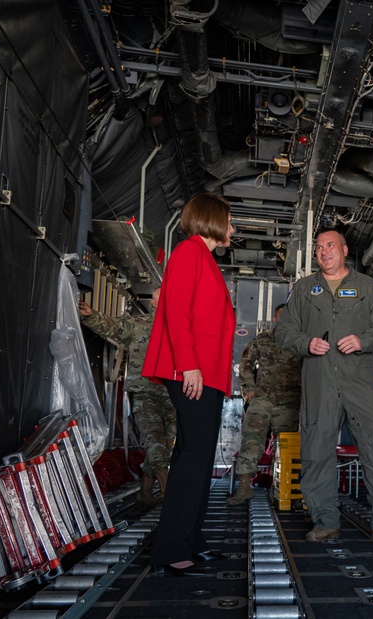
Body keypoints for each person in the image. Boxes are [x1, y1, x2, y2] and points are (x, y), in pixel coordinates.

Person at [275, 229, 373, 541]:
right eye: (318, 248)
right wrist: (305, 342)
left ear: (344, 250)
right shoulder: (303, 289)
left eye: (330, 246)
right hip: (319, 380)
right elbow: (283, 331)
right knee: (317, 450)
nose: (323, 252)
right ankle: (325, 521)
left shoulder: (367, 288)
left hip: (360, 381)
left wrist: (363, 340)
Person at [142, 193, 236, 577]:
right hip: (193, 373)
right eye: (229, 221)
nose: (233, 228)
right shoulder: (189, 252)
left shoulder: (204, 258)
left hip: (206, 374)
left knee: (195, 458)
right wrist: (188, 366)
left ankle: (191, 540)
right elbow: (177, 311)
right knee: (193, 460)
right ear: (212, 220)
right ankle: (170, 549)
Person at [79, 286, 175, 505]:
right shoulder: (139, 325)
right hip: (145, 391)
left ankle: (145, 491)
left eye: (155, 299)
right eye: (153, 300)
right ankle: (167, 490)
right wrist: (91, 315)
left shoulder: (183, 328)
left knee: (166, 443)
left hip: (172, 394)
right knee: (155, 440)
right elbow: (112, 327)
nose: (152, 303)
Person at [227, 304, 302, 505]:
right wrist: (248, 390)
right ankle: (244, 488)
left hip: (290, 401)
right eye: (281, 317)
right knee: (251, 441)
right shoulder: (262, 339)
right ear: (275, 319)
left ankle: (288, 490)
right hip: (262, 399)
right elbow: (246, 364)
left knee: (287, 448)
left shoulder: (301, 342)